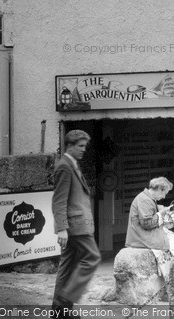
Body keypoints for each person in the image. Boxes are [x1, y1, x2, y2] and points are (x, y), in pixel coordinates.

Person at [51, 130, 101, 316]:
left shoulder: (71, 164)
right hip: (75, 226)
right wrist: (62, 228)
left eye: (85, 146)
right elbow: (59, 200)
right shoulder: (65, 166)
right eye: (80, 146)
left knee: (67, 267)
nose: (83, 150)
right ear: (69, 146)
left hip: (77, 224)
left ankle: (59, 311)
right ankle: (66, 299)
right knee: (92, 257)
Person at [125, 177, 174, 279]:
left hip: (143, 232)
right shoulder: (144, 200)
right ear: (160, 189)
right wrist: (161, 214)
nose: (164, 197)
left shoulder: (147, 198)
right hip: (141, 235)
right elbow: (147, 223)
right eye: (165, 193)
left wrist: (160, 210)